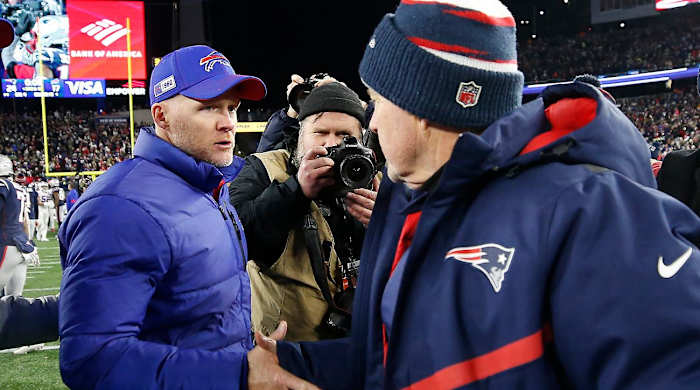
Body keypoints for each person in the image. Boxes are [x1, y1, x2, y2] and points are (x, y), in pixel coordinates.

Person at [254, 2, 700, 389]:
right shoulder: (404, 199)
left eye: (379, 100)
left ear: (423, 107)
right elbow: (394, 365)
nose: (371, 124)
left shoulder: (590, 213)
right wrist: (291, 363)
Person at [58, 45, 315, 390]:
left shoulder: (206, 182)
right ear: (161, 116)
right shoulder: (121, 206)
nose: (228, 123)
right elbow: (92, 360)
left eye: (232, 108)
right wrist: (237, 373)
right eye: (208, 107)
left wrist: (245, 352)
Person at [229, 82, 379, 341]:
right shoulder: (265, 168)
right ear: (300, 134)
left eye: (344, 135)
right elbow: (235, 238)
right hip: (288, 351)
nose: (332, 143)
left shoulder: (372, 177)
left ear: (362, 138)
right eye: (320, 132)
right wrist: (295, 191)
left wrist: (386, 224)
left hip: (359, 345)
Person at [0, 155, 40, 296]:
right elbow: (24, 221)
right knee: (13, 301)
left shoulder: (3, 186)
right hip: (22, 246)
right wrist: (27, 241)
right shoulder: (20, 189)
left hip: (6, 244)